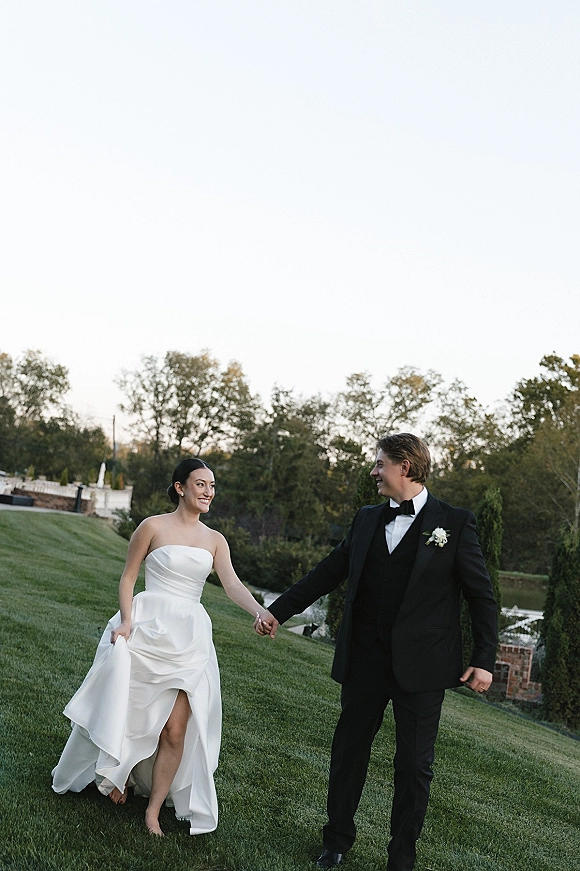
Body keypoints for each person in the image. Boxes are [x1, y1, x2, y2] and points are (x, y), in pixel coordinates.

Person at [255, 433, 497, 871]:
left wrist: (484, 658)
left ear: (405, 466)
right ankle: (335, 843)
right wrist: (278, 611)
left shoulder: (455, 523)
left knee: (414, 767)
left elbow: (482, 597)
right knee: (349, 752)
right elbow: (327, 572)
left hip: (422, 669)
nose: (373, 471)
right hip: (364, 659)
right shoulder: (366, 519)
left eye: (380, 463)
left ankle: (401, 858)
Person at [52, 457, 271, 836]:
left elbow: (232, 583)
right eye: (201, 484)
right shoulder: (151, 526)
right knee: (132, 710)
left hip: (190, 635)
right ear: (180, 487)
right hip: (148, 624)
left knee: (175, 729)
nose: (208, 492)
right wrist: (125, 620)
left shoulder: (215, 540)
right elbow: (128, 576)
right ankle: (118, 774)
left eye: (213, 486)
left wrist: (258, 611)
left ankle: (153, 809)